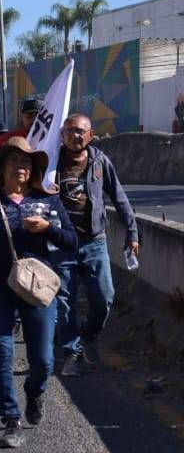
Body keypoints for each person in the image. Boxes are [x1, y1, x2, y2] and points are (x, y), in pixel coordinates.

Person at [0, 137, 77, 449]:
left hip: (37, 288)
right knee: (1, 354)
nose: (21, 167)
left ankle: (35, 392)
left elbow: (71, 241)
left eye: (26, 163)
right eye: (14, 161)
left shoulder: (48, 201)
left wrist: (47, 229)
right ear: (2, 167)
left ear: (34, 168)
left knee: (43, 360)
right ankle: (11, 420)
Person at [53, 113, 139, 376]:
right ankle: (71, 351)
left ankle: (88, 337)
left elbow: (119, 198)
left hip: (94, 242)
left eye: (81, 131)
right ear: (62, 135)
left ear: (90, 135)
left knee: (104, 297)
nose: (75, 135)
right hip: (61, 243)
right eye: (70, 131)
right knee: (63, 303)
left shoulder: (100, 161)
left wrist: (132, 233)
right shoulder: (50, 161)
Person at [0, 97, 42, 164]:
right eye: (29, 117)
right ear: (22, 118)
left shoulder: (52, 139)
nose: (34, 121)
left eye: (38, 117)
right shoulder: (9, 138)